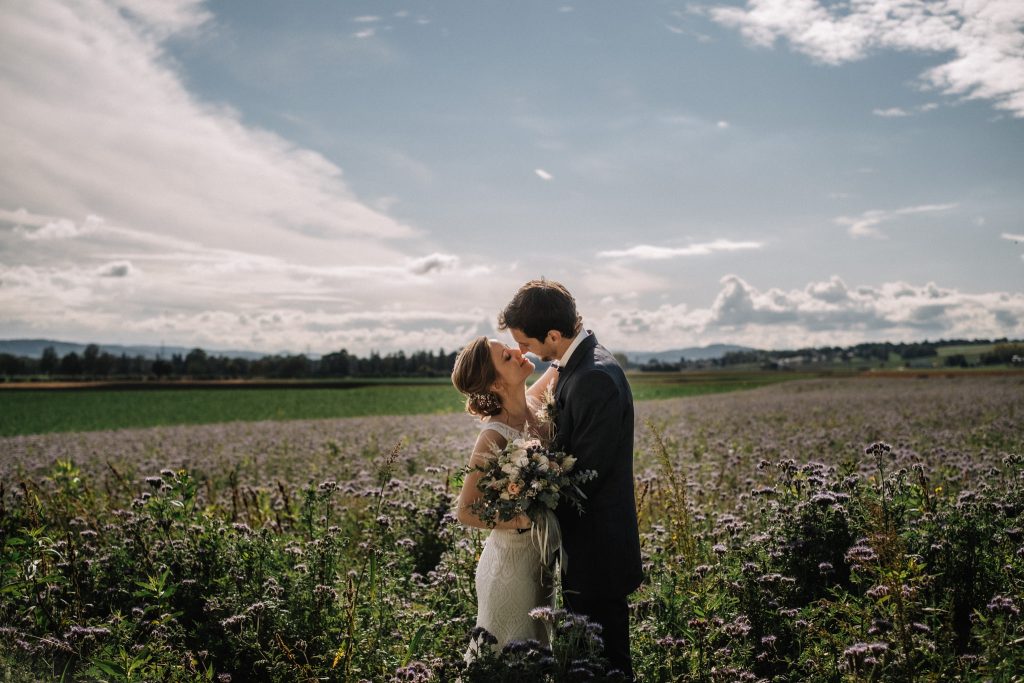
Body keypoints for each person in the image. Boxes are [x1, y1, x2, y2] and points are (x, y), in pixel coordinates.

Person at [498, 278, 643, 680]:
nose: (523, 352)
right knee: (591, 661)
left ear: (554, 335)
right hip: (590, 547)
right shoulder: (577, 366)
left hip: (599, 549)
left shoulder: (593, 377)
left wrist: (525, 501)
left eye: (526, 343)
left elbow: (584, 477)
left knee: (609, 666)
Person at [451, 335, 560, 660]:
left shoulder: (534, 401)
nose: (517, 352)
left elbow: (562, 360)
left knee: (535, 658)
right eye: (507, 357)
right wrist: (519, 520)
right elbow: (465, 510)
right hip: (509, 569)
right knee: (506, 661)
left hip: (541, 564)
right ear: (496, 383)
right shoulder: (494, 435)